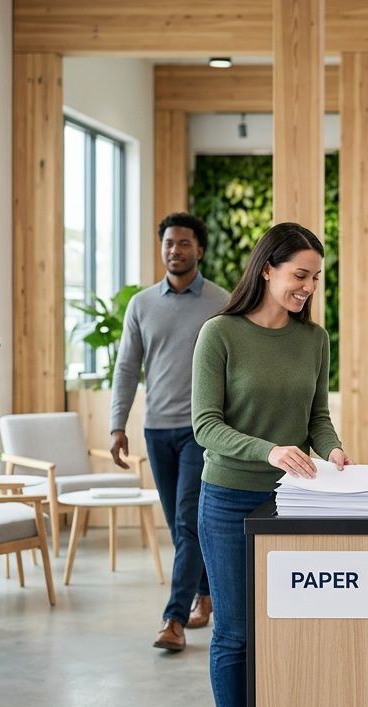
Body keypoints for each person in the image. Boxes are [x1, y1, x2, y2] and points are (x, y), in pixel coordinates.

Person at [191, 222, 352, 707]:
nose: (308, 286)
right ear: (267, 269)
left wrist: (331, 452)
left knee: (294, 627)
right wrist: (269, 451)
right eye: (299, 275)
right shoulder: (220, 334)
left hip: (294, 504)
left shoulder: (315, 339)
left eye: (315, 278)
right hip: (230, 501)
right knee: (235, 632)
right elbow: (205, 425)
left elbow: (318, 419)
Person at [110, 212, 230, 653]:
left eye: (183, 243)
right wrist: (116, 424)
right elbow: (126, 367)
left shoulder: (221, 301)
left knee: (185, 519)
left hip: (202, 431)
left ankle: (173, 620)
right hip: (156, 427)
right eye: (168, 244)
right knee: (182, 526)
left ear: (199, 249)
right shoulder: (141, 305)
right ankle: (206, 592)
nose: (175, 250)